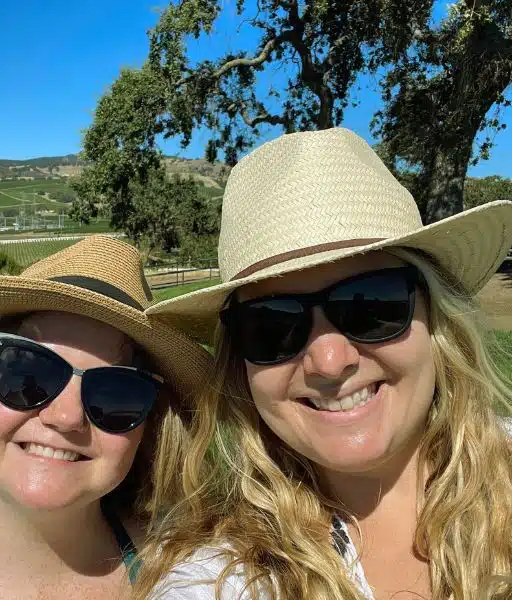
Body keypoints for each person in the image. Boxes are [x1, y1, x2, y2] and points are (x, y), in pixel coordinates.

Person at [137, 129, 512, 600]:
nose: (329, 362)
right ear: (240, 364)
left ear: (436, 318)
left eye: (370, 305)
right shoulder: (216, 583)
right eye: (272, 325)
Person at [0, 235, 211, 600]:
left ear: (151, 426)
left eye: (117, 393)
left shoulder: (203, 578)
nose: (67, 417)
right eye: (27, 373)